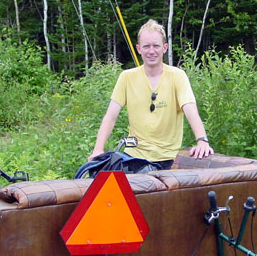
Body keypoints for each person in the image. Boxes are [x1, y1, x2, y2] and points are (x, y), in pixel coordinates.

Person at [89, 19, 214, 169]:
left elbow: (190, 109)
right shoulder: (127, 77)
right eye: (146, 46)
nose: (151, 51)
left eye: (156, 46)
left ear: (165, 48)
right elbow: (110, 116)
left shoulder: (177, 76)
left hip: (168, 158)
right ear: (138, 49)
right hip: (133, 157)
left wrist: (202, 140)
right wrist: (98, 149)